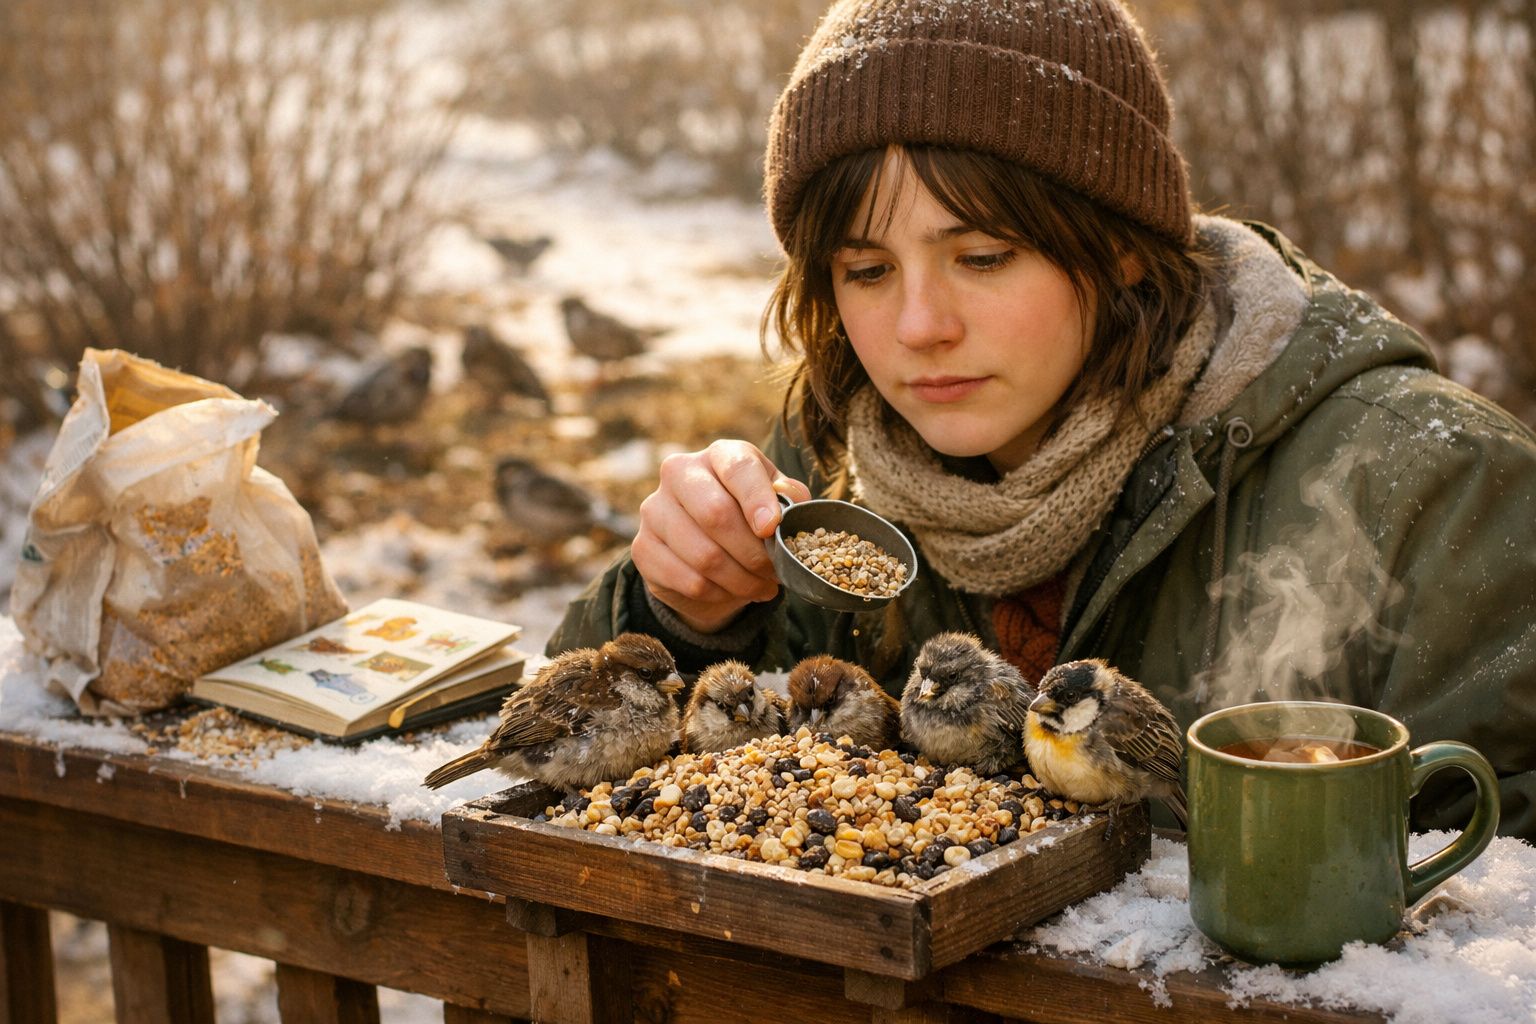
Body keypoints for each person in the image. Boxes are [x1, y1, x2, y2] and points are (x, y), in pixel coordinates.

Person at [550, 0, 1536, 839]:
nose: (920, 329)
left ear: (1122, 252)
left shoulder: (1440, 492)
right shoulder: (834, 463)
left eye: (982, 257)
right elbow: (569, 761)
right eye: (866, 270)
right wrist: (679, 611)